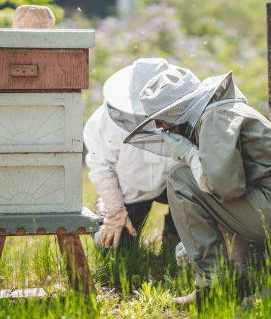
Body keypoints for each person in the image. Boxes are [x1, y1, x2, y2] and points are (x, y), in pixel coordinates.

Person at [124, 66, 271, 308]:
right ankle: (242, 286)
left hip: (266, 204)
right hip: (262, 201)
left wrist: (191, 156)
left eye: (161, 119)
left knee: (181, 180)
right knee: (241, 274)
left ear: (177, 111)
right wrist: (195, 238)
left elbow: (226, 187)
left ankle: (211, 288)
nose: (160, 127)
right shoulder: (218, 113)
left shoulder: (215, 118)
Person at [83, 58, 185, 249]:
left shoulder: (189, 112)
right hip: (129, 187)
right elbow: (101, 167)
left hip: (177, 185)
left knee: (184, 248)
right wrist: (115, 209)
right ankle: (105, 209)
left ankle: (175, 234)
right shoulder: (102, 121)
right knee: (109, 247)